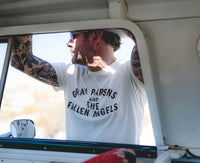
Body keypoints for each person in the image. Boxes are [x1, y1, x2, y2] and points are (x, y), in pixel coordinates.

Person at [11, 29, 146, 144]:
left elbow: (144, 38)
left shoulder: (129, 73)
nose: (68, 44)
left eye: (73, 36)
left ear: (95, 36)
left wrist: (115, 16)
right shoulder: (70, 73)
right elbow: (22, 61)